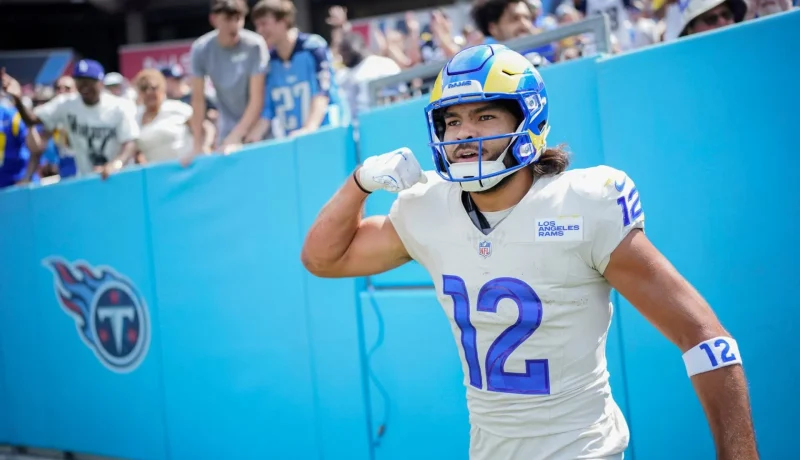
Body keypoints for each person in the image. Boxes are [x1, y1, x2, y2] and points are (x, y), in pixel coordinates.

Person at [301, 44, 759, 460]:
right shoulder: (428, 207)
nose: (463, 134)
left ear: (527, 121)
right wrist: (359, 182)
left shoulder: (582, 204)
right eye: (452, 121)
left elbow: (704, 337)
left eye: (484, 117)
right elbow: (322, 258)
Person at [1, 59, 139, 181]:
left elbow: (130, 143)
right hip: (86, 179)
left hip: (120, 176)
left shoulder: (119, 106)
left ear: (100, 82)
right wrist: (18, 99)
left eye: (89, 81)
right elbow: (32, 120)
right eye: (79, 81)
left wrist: (116, 164)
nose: (84, 86)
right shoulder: (67, 104)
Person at [245, 0, 346, 141]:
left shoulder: (313, 48)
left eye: (264, 23)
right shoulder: (269, 62)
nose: (259, 31)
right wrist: (251, 138)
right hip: (295, 140)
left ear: (283, 21)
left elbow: (323, 91)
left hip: (329, 133)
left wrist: (309, 128)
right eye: (257, 25)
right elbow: (268, 109)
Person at [190, 0, 269, 153]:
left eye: (238, 19)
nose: (234, 25)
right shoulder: (200, 49)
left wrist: (237, 136)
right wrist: (197, 145)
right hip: (227, 127)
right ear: (213, 19)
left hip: (259, 126)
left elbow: (257, 98)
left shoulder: (255, 45)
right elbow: (198, 100)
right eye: (227, 19)